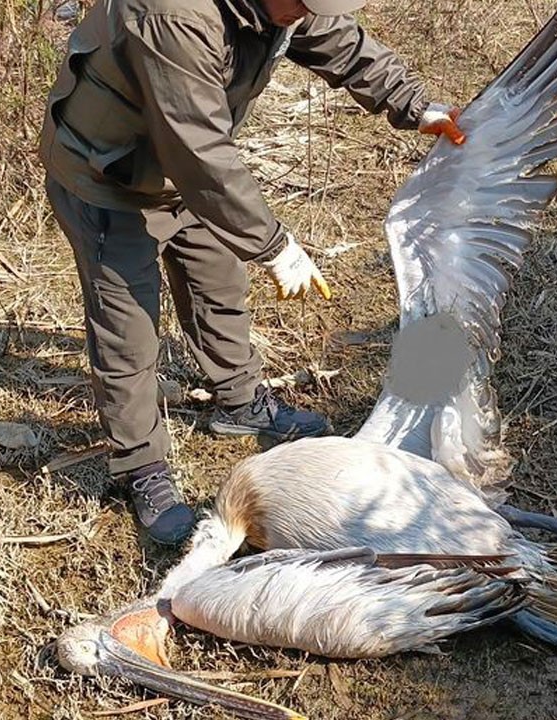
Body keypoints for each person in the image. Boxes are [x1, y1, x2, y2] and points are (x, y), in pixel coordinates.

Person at [38, 0, 464, 545]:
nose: (305, 14)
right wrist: (275, 246)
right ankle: (140, 466)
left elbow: (336, 36)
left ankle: (239, 400)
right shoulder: (176, 15)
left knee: (218, 283)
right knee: (129, 333)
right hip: (107, 174)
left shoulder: (282, 7)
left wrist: (414, 104)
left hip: (181, 174)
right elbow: (200, 152)